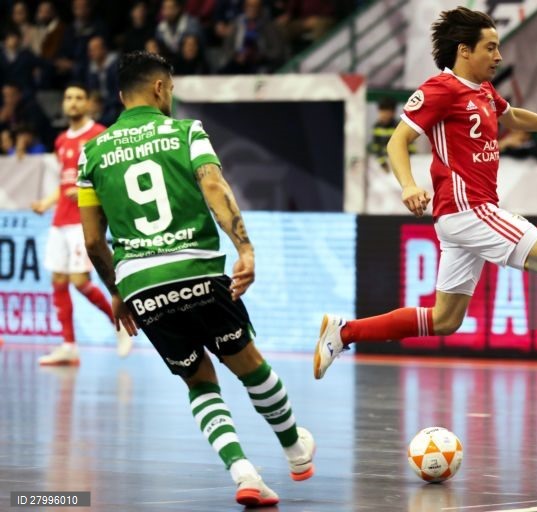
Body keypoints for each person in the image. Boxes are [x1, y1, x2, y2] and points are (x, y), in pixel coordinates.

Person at [313, 7, 537, 390]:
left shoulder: (483, 91)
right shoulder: (440, 89)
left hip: (461, 217)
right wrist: (408, 185)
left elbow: (515, 117)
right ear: (464, 51)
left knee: (445, 319)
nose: (498, 56)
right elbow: (398, 141)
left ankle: (344, 333)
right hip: (469, 209)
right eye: (490, 48)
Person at [76, 51, 315, 506]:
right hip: (198, 273)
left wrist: (118, 291)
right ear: (161, 88)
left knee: (198, 380)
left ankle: (245, 474)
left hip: (141, 285)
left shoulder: (91, 153)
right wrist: (245, 247)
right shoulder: (187, 132)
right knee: (249, 365)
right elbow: (213, 186)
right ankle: (295, 450)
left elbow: (92, 242)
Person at [31, 84, 132, 365]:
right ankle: (68, 346)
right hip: (59, 219)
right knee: (58, 280)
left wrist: (91, 192)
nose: (72, 103)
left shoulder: (99, 135)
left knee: (79, 281)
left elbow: (112, 176)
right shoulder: (62, 140)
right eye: (68, 98)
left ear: (89, 103)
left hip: (82, 219)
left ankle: (121, 321)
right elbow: (64, 182)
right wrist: (46, 201)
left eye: (78, 98)